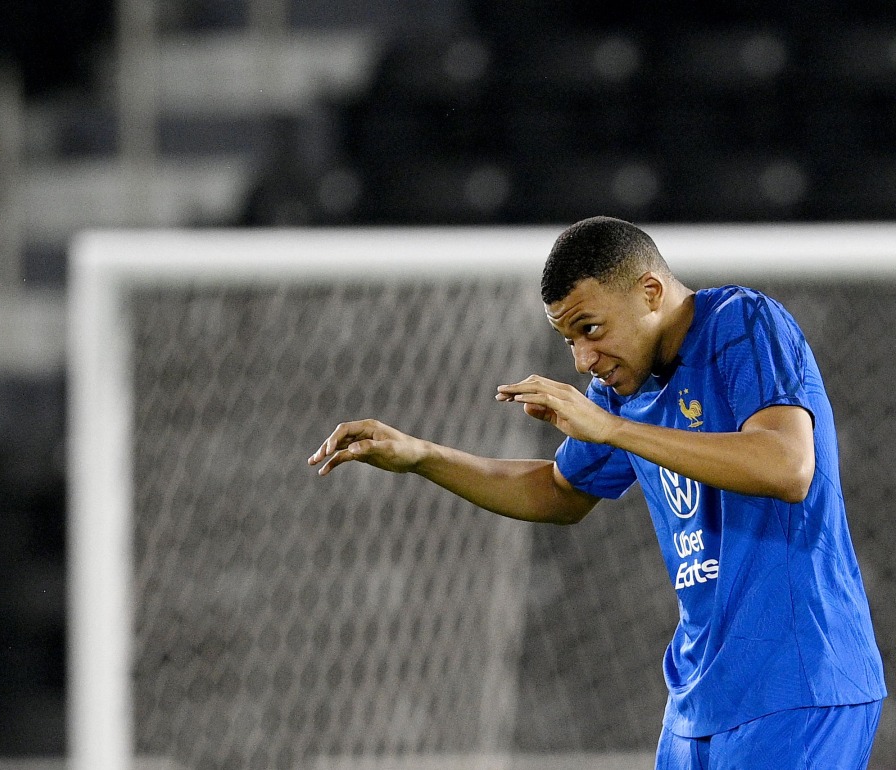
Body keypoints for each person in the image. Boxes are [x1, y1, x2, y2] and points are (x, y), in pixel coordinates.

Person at [307, 216, 886, 769]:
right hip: (699, 696)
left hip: (798, 680)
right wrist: (422, 456)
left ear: (651, 293)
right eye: (568, 341)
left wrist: (611, 428)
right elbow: (558, 492)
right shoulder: (622, 389)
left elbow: (787, 465)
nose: (584, 359)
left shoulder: (742, 323)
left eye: (590, 329)